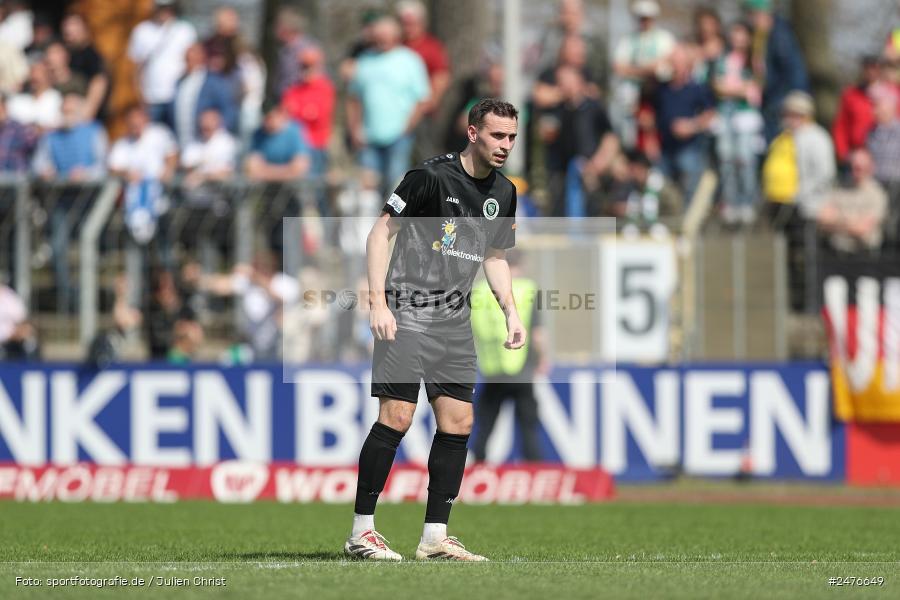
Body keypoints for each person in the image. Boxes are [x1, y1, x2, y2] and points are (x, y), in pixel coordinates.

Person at [346, 98, 523, 562]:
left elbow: (495, 256)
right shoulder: (430, 177)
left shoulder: (504, 192)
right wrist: (378, 301)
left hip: (455, 320)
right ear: (472, 133)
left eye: (511, 137)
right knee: (397, 417)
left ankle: (434, 538)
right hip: (407, 311)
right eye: (497, 135)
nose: (505, 145)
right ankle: (361, 532)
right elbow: (380, 233)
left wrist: (511, 311)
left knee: (459, 421)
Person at [32, 92, 107, 312]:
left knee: (89, 248)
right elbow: (38, 164)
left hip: (88, 202)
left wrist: (86, 174)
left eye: (71, 110)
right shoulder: (51, 137)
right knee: (58, 247)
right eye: (64, 110)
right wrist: (45, 172)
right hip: (61, 202)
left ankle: (90, 298)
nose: (67, 114)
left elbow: (103, 166)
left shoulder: (94, 131)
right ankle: (68, 299)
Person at [470, 249, 547, 463]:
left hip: (491, 369)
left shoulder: (478, 291)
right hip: (521, 369)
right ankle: (533, 470)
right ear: (520, 264)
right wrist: (542, 358)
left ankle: (477, 466)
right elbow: (538, 334)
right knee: (528, 424)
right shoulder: (528, 289)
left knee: (485, 425)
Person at [346, 15, 429, 198]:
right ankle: (368, 226)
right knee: (367, 191)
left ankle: (394, 226)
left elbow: (422, 99)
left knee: (395, 186)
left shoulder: (410, 60)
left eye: (386, 35)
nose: (381, 39)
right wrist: (354, 129)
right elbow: (353, 98)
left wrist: (407, 128)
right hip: (368, 137)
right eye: (378, 35)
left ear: (396, 36)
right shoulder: (363, 61)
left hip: (399, 136)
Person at [712, 21, 763, 225]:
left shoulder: (754, 61)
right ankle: (730, 202)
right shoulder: (723, 61)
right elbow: (718, 87)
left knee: (745, 159)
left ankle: (747, 202)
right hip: (725, 115)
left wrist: (731, 89)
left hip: (745, 116)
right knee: (726, 159)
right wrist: (738, 89)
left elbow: (753, 87)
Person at [654, 44, 715, 203]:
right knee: (660, 189)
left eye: (678, 62)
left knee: (690, 188)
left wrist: (691, 126)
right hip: (664, 149)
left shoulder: (696, 88)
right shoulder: (662, 89)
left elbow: (710, 114)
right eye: (672, 62)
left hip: (689, 149)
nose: (675, 66)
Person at [611, 0, 676, 149]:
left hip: (658, 90)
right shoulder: (628, 40)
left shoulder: (663, 38)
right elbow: (618, 67)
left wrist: (634, 69)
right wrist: (647, 69)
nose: (644, 21)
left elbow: (669, 64)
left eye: (647, 17)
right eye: (641, 17)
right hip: (635, 94)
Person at [743, 0, 808, 143]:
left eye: (753, 15)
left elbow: (787, 70)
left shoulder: (779, 34)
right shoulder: (762, 36)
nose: (751, 20)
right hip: (773, 99)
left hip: (780, 99)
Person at [127, 0, 197, 126]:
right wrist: (139, 97)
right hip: (151, 98)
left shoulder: (185, 30)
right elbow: (134, 68)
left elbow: (194, 63)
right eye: (161, 8)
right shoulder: (141, 31)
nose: (165, 12)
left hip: (178, 98)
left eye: (168, 8)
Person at [397, 0, 450, 158]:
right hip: (399, 113)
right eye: (404, 23)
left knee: (425, 155)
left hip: (423, 113)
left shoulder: (431, 46)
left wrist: (430, 101)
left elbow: (441, 76)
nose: (407, 28)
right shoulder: (397, 46)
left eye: (411, 23)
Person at [817, 148, 887, 255]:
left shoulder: (877, 194)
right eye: (851, 167)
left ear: (870, 168)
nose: (854, 171)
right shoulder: (839, 188)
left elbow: (861, 229)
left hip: (865, 256)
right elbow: (823, 219)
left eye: (859, 168)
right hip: (835, 254)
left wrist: (837, 219)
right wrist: (851, 222)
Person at [169, 42, 238, 147]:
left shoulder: (214, 82)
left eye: (192, 58)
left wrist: (217, 125)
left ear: (201, 58)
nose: (189, 61)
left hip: (206, 144)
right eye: (187, 58)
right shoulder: (180, 82)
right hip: (183, 141)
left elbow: (229, 110)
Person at [281, 46, 334, 180]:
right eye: (303, 66)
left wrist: (298, 112)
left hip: (316, 144)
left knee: (316, 184)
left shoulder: (325, 87)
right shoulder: (294, 88)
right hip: (294, 146)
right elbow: (285, 113)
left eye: (310, 66)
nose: (306, 70)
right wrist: (305, 112)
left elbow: (318, 116)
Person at [832, 56, 881, 169]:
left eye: (874, 68)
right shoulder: (851, 95)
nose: (871, 72)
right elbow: (841, 125)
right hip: (856, 154)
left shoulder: (892, 93)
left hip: (885, 155)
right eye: (867, 68)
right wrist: (843, 152)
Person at [61, 12, 110, 122]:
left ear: (85, 29)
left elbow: (99, 82)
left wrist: (88, 110)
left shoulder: (92, 56)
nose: (69, 30)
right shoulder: (67, 55)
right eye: (67, 28)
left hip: (85, 118)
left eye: (74, 26)